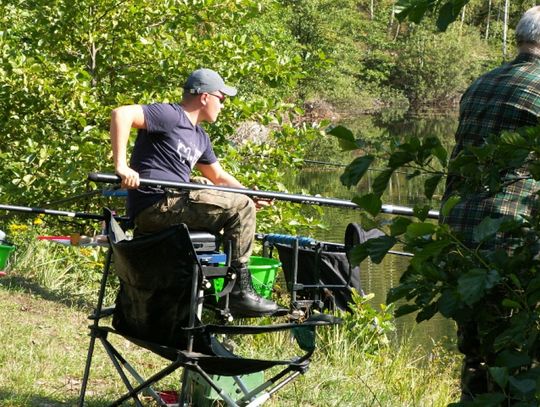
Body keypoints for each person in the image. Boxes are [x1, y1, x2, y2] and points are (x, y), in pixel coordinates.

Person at [110, 68, 280, 317]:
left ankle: (216, 290)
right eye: (221, 99)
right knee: (241, 207)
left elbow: (219, 176)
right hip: (158, 203)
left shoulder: (200, 137)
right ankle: (237, 292)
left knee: (233, 197)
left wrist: (251, 195)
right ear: (204, 97)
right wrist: (122, 166)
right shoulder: (171, 115)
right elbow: (121, 114)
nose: (223, 106)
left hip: (175, 204)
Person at [441, 6, 540, 400]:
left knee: (476, 356)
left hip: (461, 235)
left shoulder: (481, 83)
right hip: (513, 242)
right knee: (518, 360)